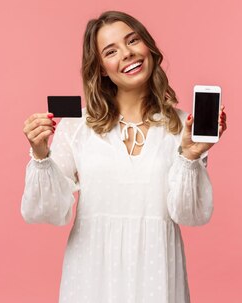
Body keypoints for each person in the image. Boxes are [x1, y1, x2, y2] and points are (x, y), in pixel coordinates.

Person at [20, 11, 227, 302]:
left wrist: (190, 156)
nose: (127, 54)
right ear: (102, 68)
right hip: (91, 273)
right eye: (111, 51)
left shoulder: (183, 126)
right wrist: (41, 155)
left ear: (149, 47)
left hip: (157, 272)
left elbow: (189, 214)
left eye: (133, 40)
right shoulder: (77, 125)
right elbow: (49, 211)